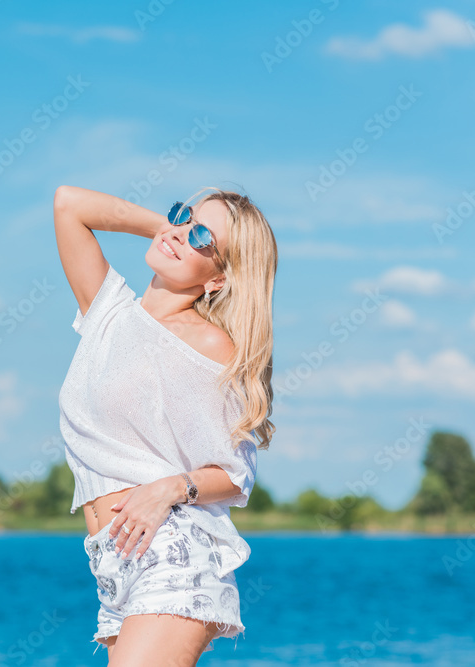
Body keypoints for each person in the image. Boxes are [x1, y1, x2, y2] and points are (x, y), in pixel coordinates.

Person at [55, 184, 277, 665]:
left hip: (172, 556)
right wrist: (170, 229)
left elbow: (236, 472)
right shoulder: (107, 313)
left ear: (218, 278)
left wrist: (170, 489)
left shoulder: (210, 345)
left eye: (203, 239)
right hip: (112, 564)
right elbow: (69, 204)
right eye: (185, 217)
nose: (181, 234)